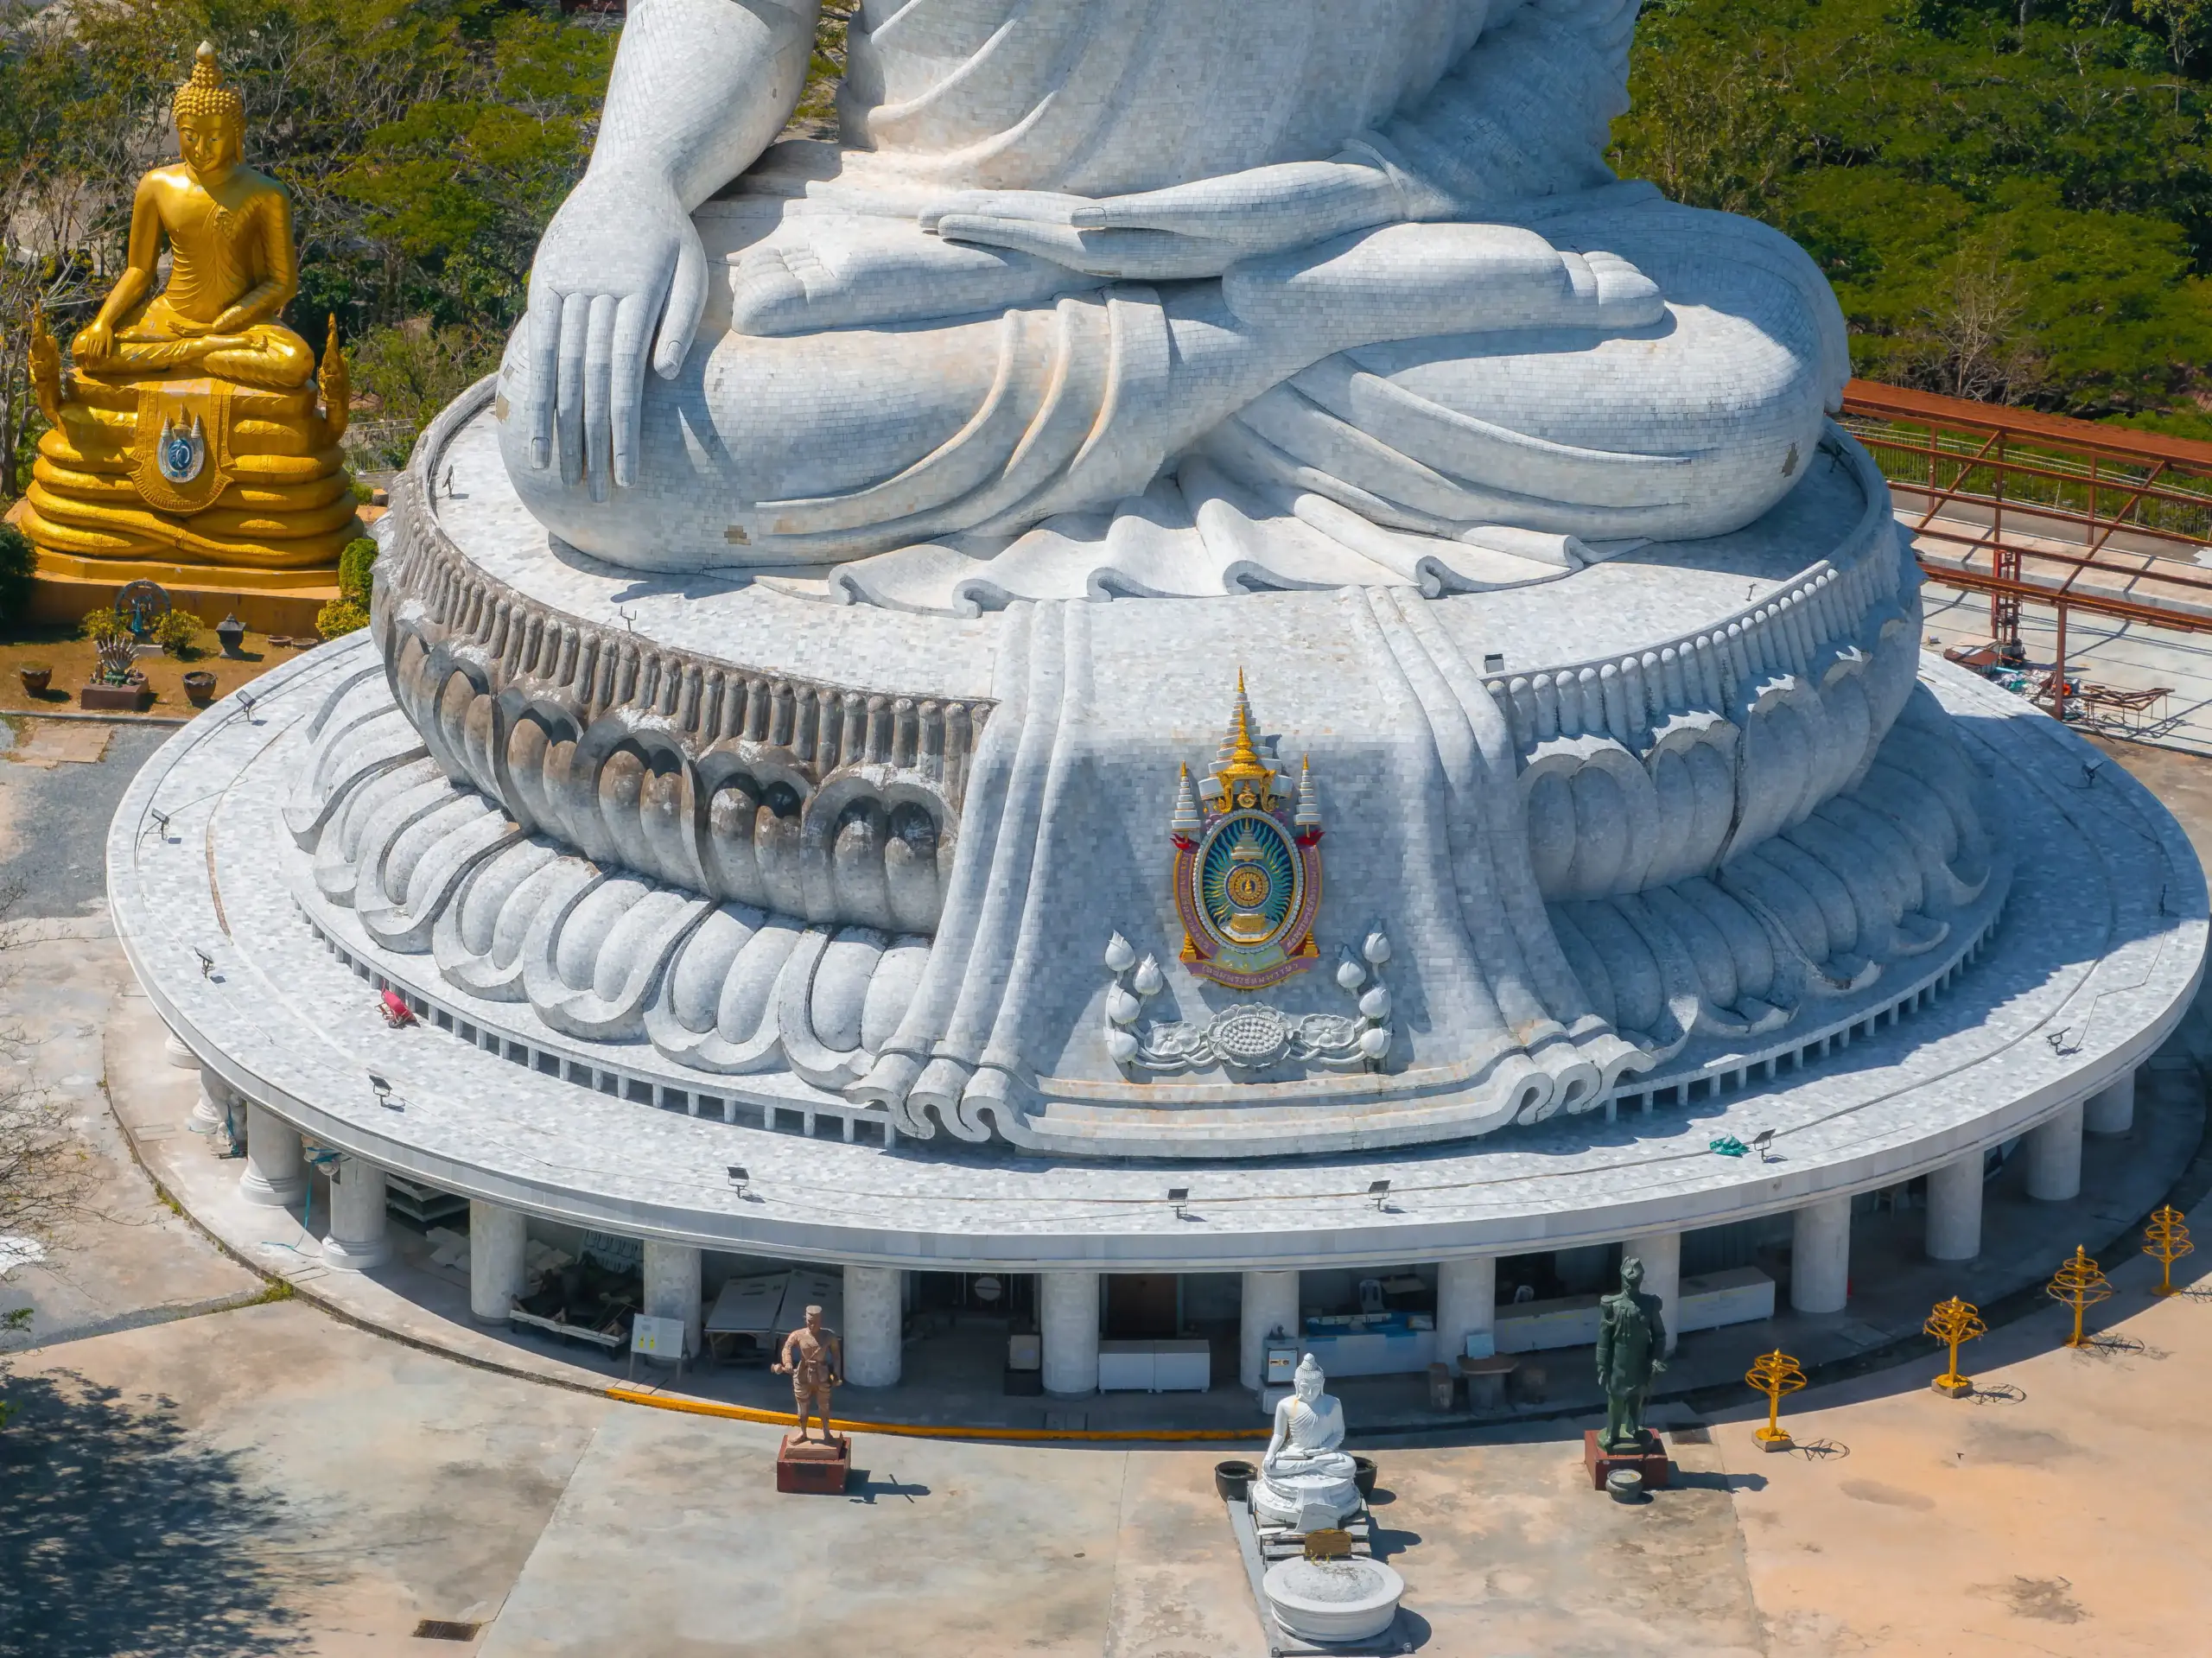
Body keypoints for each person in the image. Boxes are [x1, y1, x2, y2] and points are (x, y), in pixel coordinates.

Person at [495, 0, 1847, 578]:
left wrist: (1343, 199)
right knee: (598, 446)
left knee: (1745, 385)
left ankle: (1261, 325)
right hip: (947, 228)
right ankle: (1281, 330)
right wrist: (629, 184)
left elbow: (1563, 40)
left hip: (1386, 216)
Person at [1595, 1254, 1667, 1452]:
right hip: (1618, 1363)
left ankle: (1634, 1427)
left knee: (1636, 1397)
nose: (1631, 1285)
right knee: (1616, 1399)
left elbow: (1659, 1335)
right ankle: (1613, 1432)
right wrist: (1601, 1365)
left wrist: (1656, 1359)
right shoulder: (1612, 1305)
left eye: (1635, 1281)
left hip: (1640, 1361)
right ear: (1622, 1278)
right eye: (1628, 1280)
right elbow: (1604, 1339)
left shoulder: (1649, 1305)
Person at [773, 1304, 843, 1444]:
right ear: (805, 1320)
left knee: (824, 1406)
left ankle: (826, 1432)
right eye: (809, 1322)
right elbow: (786, 1348)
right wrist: (787, 1363)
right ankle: (803, 1432)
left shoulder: (829, 1336)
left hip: (822, 1374)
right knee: (802, 1407)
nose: (812, 1326)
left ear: (821, 1321)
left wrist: (836, 1374)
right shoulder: (798, 1335)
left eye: (816, 1323)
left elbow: (836, 1356)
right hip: (802, 1374)